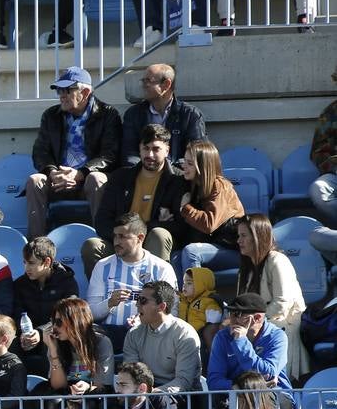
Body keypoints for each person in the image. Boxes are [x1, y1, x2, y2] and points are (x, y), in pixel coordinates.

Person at [27, 65, 122, 237]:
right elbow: (40, 152)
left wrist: (81, 173)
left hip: (87, 178)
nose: (61, 95)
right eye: (59, 90)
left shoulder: (108, 114)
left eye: (67, 90)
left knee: (96, 178)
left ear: (85, 93)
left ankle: (102, 242)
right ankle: (37, 247)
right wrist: (52, 172)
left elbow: (110, 155)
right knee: (35, 180)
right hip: (58, 178)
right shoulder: (51, 115)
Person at [82, 123, 182, 275]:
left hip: (151, 240)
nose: (150, 155)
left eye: (156, 149)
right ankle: (102, 295)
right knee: (92, 245)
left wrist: (142, 232)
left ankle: (156, 293)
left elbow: (181, 225)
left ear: (167, 150)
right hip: (122, 239)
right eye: (145, 148)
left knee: (159, 234)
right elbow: (102, 221)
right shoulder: (121, 177)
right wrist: (124, 237)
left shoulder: (178, 180)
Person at [87, 213, 177, 350]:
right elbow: (91, 312)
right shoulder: (103, 266)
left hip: (147, 332)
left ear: (140, 238)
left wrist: (145, 320)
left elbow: (172, 312)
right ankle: (79, 372)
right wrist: (109, 303)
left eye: (122, 236)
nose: (116, 241)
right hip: (109, 333)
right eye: (115, 235)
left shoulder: (161, 268)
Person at [235, 213, 307, 380]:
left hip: (279, 330)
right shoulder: (245, 269)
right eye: (238, 236)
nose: (239, 241)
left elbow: (283, 303)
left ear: (258, 236)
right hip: (253, 331)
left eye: (244, 235)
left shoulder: (277, 261)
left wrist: (252, 321)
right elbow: (240, 305)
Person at [9, 235, 80, 376]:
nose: (26, 268)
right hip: (27, 337)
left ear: (47, 262)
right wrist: (24, 335)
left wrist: (41, 333)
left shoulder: (67, 283)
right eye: (25, 262)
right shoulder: (20, 285)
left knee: (51, 341)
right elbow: (16, 313)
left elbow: (67, 316)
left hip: (57, 335)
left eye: (31, 263)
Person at [176, 139, 246, 274]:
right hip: (214, 244)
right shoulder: (194, 185)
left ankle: (195, 295)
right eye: (184, 161)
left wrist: (185, 208)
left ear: (203, 167)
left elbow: (209, 224)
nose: (184, 166)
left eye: (190, 163)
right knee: (175, 257)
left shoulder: (219, 186)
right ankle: (179, 295)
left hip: (234, 248)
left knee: (191, 252)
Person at [118, 64, 207, 167]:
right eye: (143, 81)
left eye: (148, 81)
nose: (143, 85)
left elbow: (197, 153)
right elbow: (129, 153)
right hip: (143, 175)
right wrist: (146, 170)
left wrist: (168, 171)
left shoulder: (190, 115)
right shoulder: (133, 114)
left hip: (179, 178)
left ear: (166, 84)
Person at [121, 280, 201, 393]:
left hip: (181, 397)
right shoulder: (133, 334)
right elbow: (131, 375)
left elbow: (184, 381)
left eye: (143, 301)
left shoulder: (185, 334)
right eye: (138, 299)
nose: (137, 304)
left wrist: (155, 393)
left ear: (161, 306)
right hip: (144, 392)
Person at [206, 292, 291, 393]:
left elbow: (269, 374)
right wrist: (241, 387)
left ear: (257, 318)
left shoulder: (277, 336)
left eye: (237, 314)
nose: (231, 319)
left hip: (273, 392)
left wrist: (241, 341)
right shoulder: (222, 337)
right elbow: (214, 381)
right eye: (230, 313)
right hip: (235, 393)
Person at [41, 296, 114, 396]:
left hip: (92, 394)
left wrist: (88, 387)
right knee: (54, 401)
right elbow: (58, 386)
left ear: (75, 321)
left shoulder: (101, 342)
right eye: (53, 322)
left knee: (89, 404)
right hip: (67, 392)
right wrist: (54, 352)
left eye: (58, 322)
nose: (54, 327)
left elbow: (102, 385)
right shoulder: (56, 343)